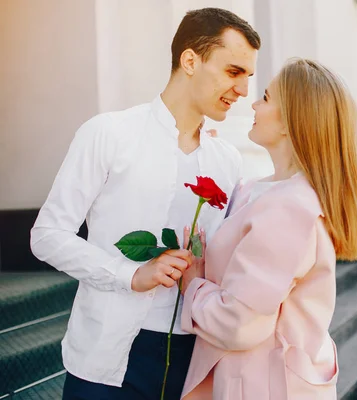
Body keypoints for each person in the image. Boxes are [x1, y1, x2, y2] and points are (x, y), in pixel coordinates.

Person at [30, 8, 260, 399]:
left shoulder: (227, 159)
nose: (243, 90)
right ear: (190, 60)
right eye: (233, 72)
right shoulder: (108, 133)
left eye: (248, 78)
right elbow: (47, 235)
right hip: (107, 357)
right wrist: (129, 274)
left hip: (193, 357)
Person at [179, 59, 357, 399]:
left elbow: (239, 323)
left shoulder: (290, 206)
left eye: (265, 97)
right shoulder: (267, 191)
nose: (254, 104)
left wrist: (193, 287)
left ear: (292, 120)